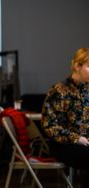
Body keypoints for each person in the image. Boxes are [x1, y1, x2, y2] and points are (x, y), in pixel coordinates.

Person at [41, 47, 89, 185]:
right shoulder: (59, 90)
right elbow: (49, 126)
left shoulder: (87, 89)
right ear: (77, 66)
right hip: (64, 144)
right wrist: (76, 138)